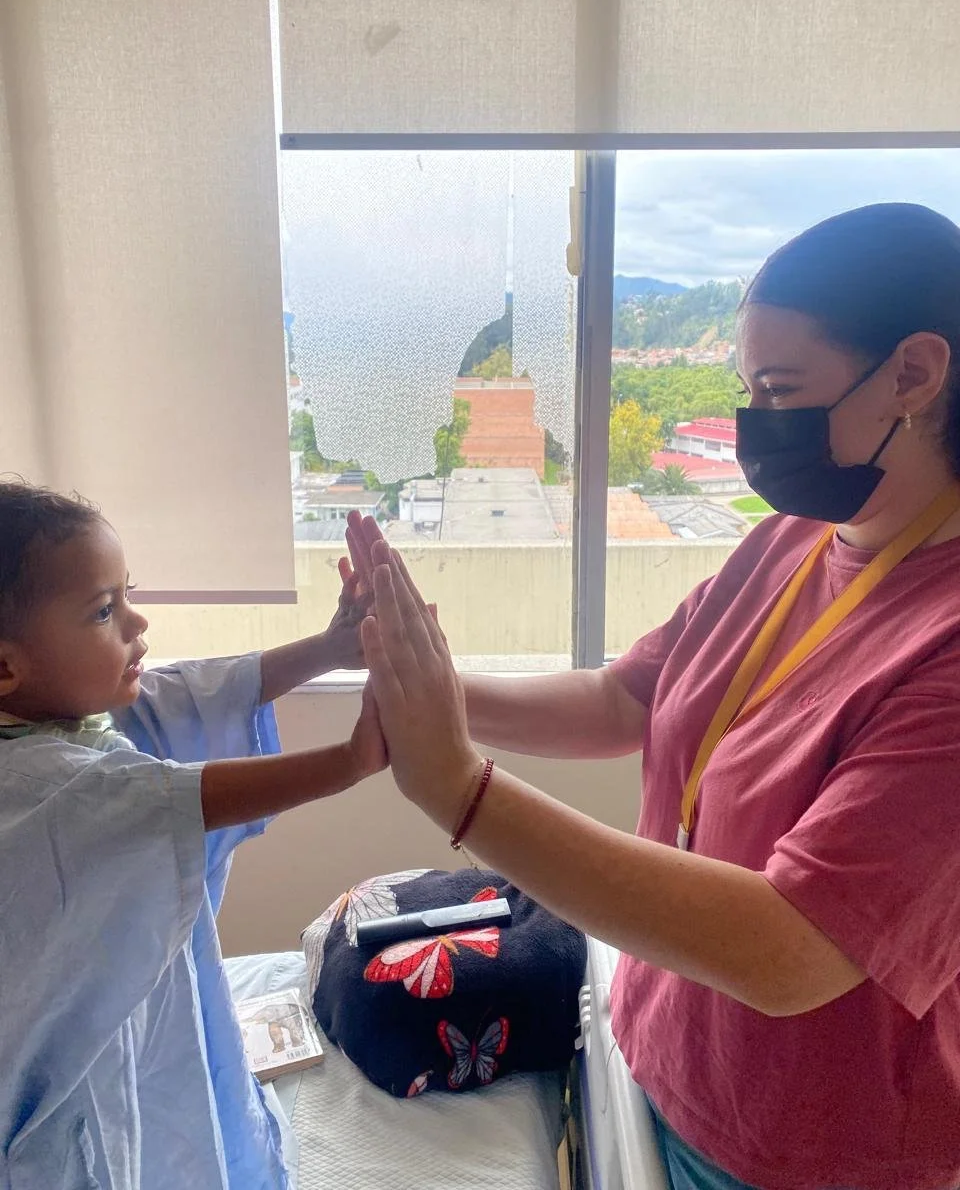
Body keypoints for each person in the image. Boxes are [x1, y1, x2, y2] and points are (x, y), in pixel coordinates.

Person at [352, 204, 960, 1190]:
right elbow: (628, 699)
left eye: (781, 388)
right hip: (662, 1051)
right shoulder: (793, 539)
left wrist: (461, 788)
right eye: (746, 390)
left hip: (810, 1144)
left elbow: (793, 948)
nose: (758, 422)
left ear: (914, 372)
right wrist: (419, 685)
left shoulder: (944, 644)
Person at [0, 481, 384, 1189]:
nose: (137, 623)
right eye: (104, 611)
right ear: (5, 667)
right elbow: (172, 800)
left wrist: (331, 648)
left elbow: (192, 691)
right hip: (76, 1090)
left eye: (127, 594)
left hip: (145, 1027)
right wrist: (352, 761)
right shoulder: (33, 786)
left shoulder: (62, 717)